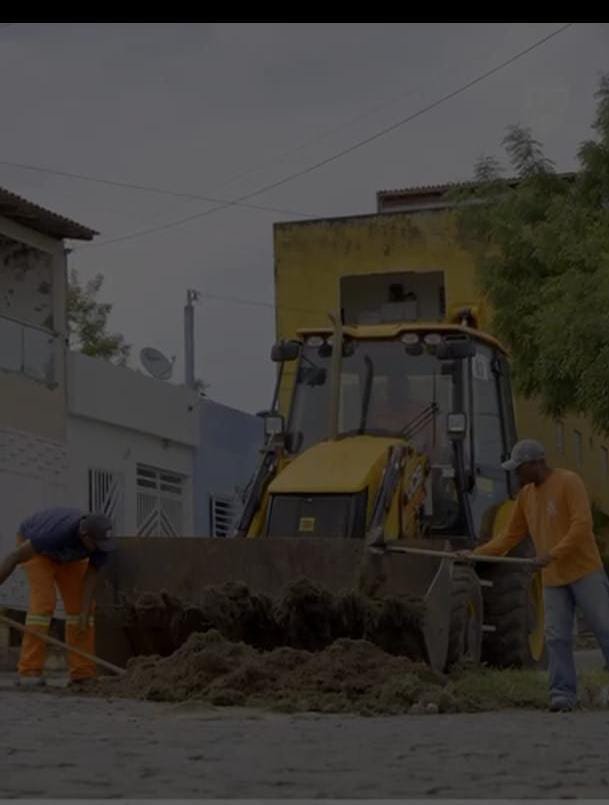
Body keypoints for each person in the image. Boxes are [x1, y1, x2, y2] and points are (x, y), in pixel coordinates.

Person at [467, 439, 609, 711]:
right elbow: (509, 535)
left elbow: (582, 526)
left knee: (605, 628)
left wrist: (552, 554)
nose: (515, 474)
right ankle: (562, 695)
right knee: (556, 637)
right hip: (553, 579)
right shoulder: (526, 496)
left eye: (519, 468)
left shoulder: (569, 482)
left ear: (536, 463)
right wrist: (476, 554)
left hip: (585, 571)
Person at [0, 508, 115, 687]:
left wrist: (84, 612)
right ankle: (29, 670)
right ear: (85, 536)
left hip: (68, 557)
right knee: (43, 604)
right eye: (97, 544)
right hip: (38, 551)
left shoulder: (100, 542)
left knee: (81, 610)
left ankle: (82, 672)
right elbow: (14, 557)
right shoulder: (54, 534)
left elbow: (91, 577)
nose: (101, 549)